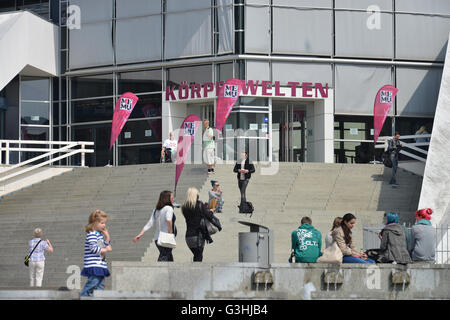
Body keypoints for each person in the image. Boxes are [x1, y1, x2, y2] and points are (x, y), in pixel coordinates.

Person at [133, 190, 177, 262]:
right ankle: (157, 271)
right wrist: (171, 233)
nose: (173, 199)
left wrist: (140, 234)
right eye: (172, 197)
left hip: (157, 238)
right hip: (166, 238)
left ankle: (170, 272)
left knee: (168, 257)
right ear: (167, 198)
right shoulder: (169, 208)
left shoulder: (156, 210)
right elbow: (169, 220)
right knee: (164, 256)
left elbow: (150, 223)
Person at [181, 187, 222, 262]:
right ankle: (196, 272)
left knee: (196, 256)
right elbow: (209, 216)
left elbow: (193, 216)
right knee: (199, 257)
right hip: (198, 236)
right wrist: (211, 211)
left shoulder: (184, 207)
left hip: (188, 236)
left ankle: (195, 271)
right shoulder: (199, 204)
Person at [80, 210, 112, 297]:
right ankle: (83, 297)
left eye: (105, 223)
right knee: (92, 283)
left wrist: (107, 237)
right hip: (94, 265)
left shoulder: (99, 235)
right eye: (102, 223)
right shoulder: (92, 234)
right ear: (94, 223)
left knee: (100, 286)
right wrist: (106, 250)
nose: (104, 225)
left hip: (100, 265)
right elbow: (94, 248)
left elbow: (103, 246)